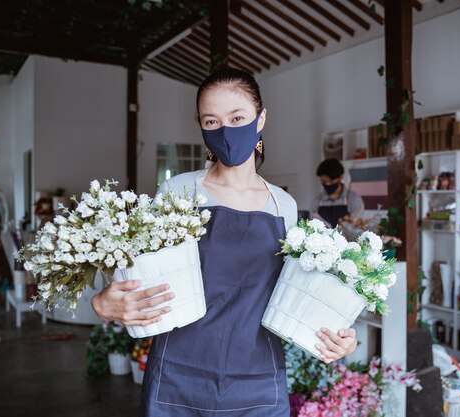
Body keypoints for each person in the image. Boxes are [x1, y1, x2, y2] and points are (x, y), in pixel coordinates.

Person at [91, 68, 358, 416]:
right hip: (178, 379)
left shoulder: (283, 206)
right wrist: (102, 302)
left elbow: (299, 294)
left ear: (261, 119)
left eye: (237, 117)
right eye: (212, 121)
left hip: (259, 383)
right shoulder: (178, 193)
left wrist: (339, 332)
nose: (226, 130)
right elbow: (134, 271)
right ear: (201, 126)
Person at [310, 158, 364, 228]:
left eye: (331, 181)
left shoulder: (354, 199)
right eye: (324, 181)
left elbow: (356, 227)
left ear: (340, 177)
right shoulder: (316, 202)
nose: (328, 184)